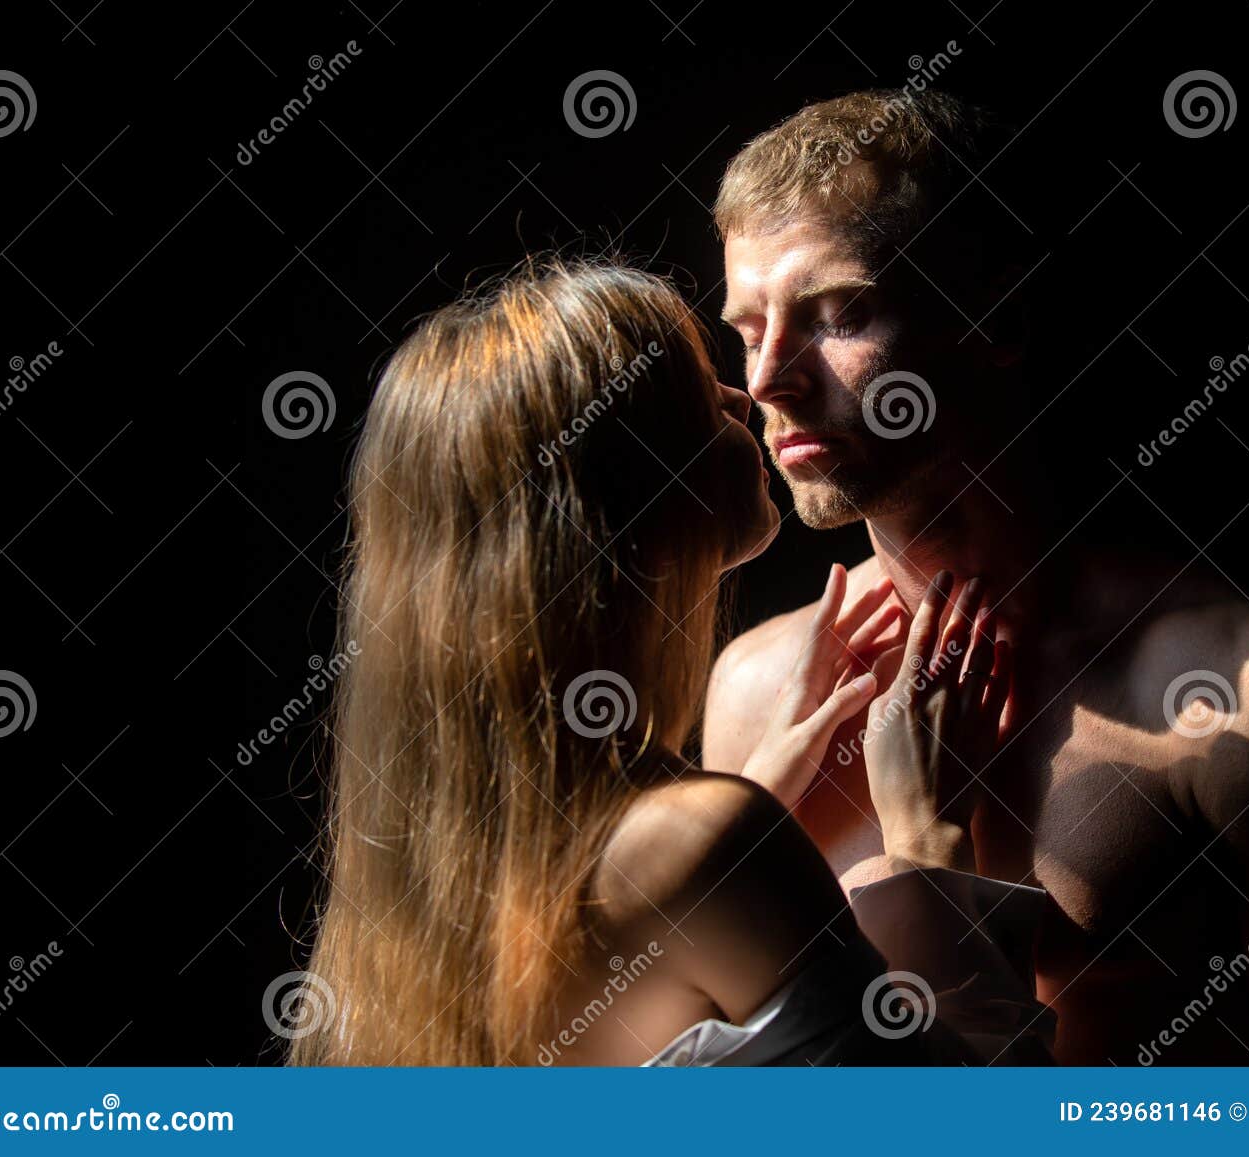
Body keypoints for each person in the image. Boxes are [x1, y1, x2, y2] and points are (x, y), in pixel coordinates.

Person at [704, 90, 1249, 1065]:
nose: (768, 377)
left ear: (999, 315)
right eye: (746, 328)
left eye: (839, 314)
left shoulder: (1241, 694)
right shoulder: (753, 694)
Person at [289, 257, 1053, 1066]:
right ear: (612, 486)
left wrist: (756, 793)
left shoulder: (423, 868)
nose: (746, 394)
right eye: (693, 390)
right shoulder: (706, 843)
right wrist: (927, 844)